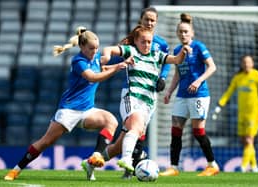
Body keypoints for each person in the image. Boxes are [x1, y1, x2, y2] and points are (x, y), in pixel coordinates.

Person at [4, 26, 133, 181]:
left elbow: (102, 67)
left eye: (97, 48)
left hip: (87, 110)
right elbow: (92, 77)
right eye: (91, 48)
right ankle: (16, 170)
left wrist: (121, 64)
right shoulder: (78, 61)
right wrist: (117, 68)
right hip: (69, 110)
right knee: (46, 142)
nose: (94, 51)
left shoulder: (95, 58)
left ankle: (95, 157)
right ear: (82, 47)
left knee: (110, 121)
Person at [81, 25, 192, 180]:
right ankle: (127, 159)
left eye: (149, 42)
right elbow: (110, 49)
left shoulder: (157, 55)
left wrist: (184, 51)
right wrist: (106, 56)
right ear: (136, 41)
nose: (146, 45)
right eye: (143, 42)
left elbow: (176, 60)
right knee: (137, 125)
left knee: (118, 146)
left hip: (148, 104)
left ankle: (90, 163)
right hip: (132, 99)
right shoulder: (131, 51)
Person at [159, 13, 219, 177]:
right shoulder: (178, 50)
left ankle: (212, 165)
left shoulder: (199, 47)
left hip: (199, 95)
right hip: (182, 95)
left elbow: (212, 67)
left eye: (186, 31)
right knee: (175, 130)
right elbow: (178, 73)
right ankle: (173, 167)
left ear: (191, 33)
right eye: (180, 32)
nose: (183, 34)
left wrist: (198, 81)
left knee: (198, 132)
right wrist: (170, 91)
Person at [122, 6, 171, 179]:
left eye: (152, 20)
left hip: (150, 91)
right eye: (146, 19)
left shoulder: (161, 43)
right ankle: (130, 164)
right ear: (141, 20)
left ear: (156, 22)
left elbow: (166, 62)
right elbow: (119, 53)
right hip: (132, 89)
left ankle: (124, 164)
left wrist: (163, 78)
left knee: (138, 131)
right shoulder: (133, 39)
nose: (149, 23)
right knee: (135, 129)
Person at [212, 55, 258, 173]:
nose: (246, 64)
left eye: (248, 62)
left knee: (249, 140)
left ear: (252, 63)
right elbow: (228, 92)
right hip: (242, 113)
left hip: (254, 113)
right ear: (241, 64)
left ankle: (243, 167)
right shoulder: (238, 78)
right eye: (244, 62)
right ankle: (255, 167)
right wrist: (220, 105)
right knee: (244, 141)